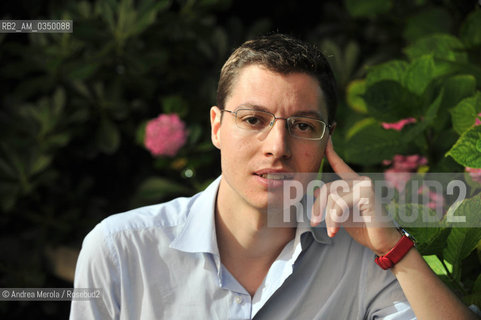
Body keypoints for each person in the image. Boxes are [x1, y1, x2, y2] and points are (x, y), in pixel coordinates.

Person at [70, 34, 478, 319]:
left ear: (326, 141)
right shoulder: (120, 249)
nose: (277, 146)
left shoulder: (364, 254)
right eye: (253, 119)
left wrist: (393, 246)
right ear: (216, 127)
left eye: (302, 126)